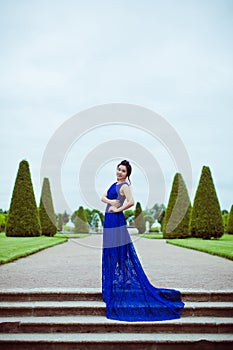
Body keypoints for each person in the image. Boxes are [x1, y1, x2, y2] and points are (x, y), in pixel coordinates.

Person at [101, 160, 184, 322]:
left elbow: (131, 202)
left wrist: (117, 209)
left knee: (119, 252)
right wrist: (111, 202)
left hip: (116, 220)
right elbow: (102, 197)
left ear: (127, 174)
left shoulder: (125, 186)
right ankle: (112, 287)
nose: (119, 172)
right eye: (118, 169)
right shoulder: (114, 184)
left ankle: (119, 285)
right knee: (111, 252)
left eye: (123, 171)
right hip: (108, 220)